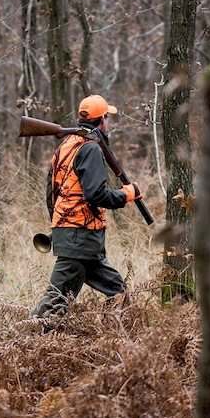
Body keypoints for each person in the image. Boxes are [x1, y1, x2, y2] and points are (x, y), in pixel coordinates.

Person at [32, 94, 143, 320]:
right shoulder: (90, 148)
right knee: (53, 306)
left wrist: (58, 223)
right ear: (102, 120)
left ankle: (116, 340)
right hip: (79, 238)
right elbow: (95, 194)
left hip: (80, 238)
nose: (108, 122)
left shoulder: (67, 145)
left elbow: (51, 191)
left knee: (120, 294)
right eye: (107, 117)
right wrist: (126, 194)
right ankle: (23, 342)